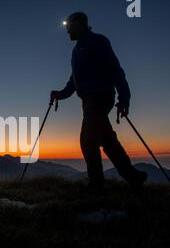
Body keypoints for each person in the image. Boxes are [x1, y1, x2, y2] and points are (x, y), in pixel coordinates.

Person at [51, 12, 147, 191]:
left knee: (88, 140)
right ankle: (134, 177)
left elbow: (115, 69)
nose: (67, 32)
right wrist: (61, 94)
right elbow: (75, 80)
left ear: (79, 24)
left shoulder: (98, 41)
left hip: (100, 97)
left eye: (69, 27)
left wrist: (124, 98)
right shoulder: (77, 50)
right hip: (89, 100)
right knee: (107, 140)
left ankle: (96, 184)